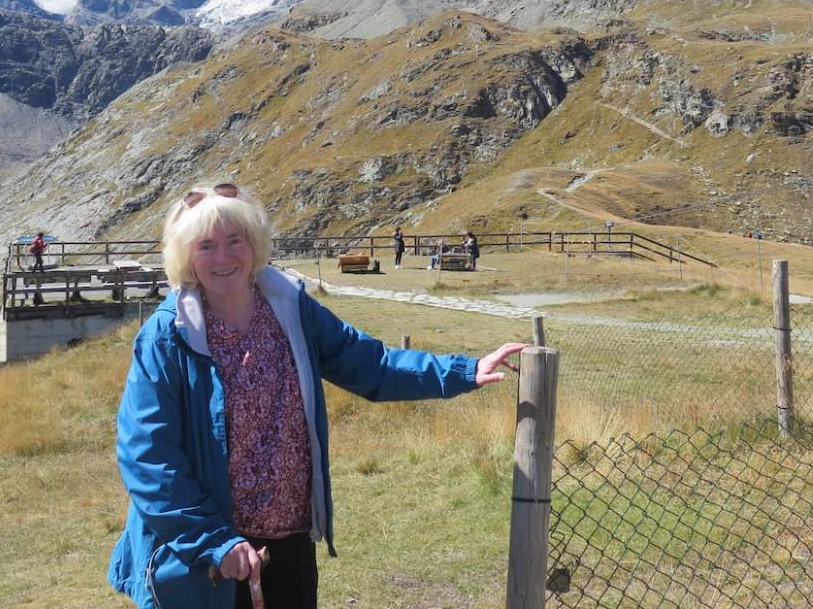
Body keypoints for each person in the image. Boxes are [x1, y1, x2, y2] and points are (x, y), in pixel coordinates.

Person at [107, 183, 524, 609]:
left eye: (235, 241)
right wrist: (216, 541)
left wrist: (464, 370)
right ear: (186, 257)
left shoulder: (291, 309)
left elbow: (372, 364)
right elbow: (147, 454)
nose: (223, 257)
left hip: (290, 540)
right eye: (206, 245)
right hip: (209, 557)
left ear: (253, 244)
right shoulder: (167, 336)